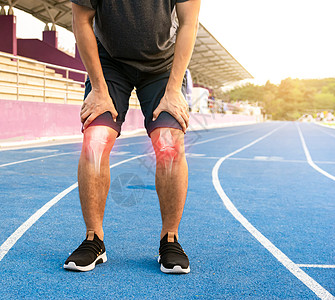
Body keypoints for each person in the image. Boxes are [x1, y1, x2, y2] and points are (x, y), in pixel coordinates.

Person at [63, 0, 201, 274]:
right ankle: (94, 239)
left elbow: (189, 23)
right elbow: (81, 21)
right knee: (95, 140)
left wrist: (174, 90)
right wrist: (100, 89)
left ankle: (170, 240)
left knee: (169, 143)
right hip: (109, 64)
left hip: (162, 66)